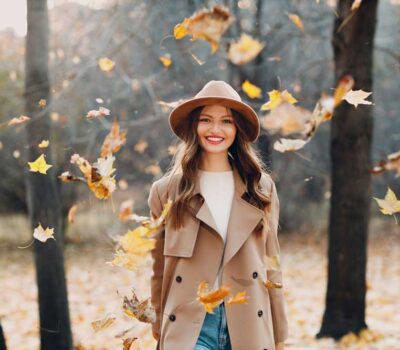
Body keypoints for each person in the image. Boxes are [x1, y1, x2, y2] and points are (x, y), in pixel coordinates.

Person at [147, 80, 289, 350]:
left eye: (226, 121)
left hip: (249, 320)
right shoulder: (166, 192)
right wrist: (158, 323)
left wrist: (279, 334)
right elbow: (158, 268)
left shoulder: (261, 188)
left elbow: (272, 264)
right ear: (194, 126)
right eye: (206, 120)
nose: (215, 129)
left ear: (237, 129)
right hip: (191, 324)